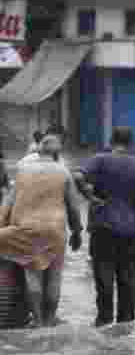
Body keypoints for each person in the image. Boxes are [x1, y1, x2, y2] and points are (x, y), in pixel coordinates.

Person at [79, 126, 135, 327]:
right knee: (128, 281)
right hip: (130, 230)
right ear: (131, 144)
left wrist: (90, 197)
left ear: (111, 141)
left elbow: (78, 177)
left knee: (104, 278)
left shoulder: (99, 159)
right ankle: (126, 324)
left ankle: (103, 322)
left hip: (103, 227)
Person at [0, 135, 84, 326]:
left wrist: (2, 227)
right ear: (58, 153)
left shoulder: (22, 171)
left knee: (32, 274)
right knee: (54, 276)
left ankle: (37, 321)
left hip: (26, 227)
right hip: (55, 229)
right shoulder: (63, 172)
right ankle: (49, 319)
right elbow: (74, 207)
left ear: (38, 151)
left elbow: (8, 203)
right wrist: (77, 231)